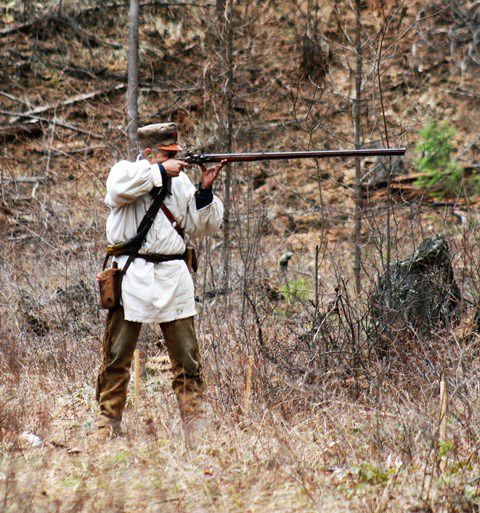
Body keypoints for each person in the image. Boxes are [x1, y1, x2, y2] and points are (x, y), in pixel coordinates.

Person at [95, 122, 225, 442]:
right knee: (117, 355)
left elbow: (199, 227)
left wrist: (204, 189)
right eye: (168, 154)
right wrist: (161, 172)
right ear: (151, 153)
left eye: (175, 154)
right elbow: (117, 191)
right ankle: (107, 422)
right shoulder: (128, 172)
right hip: (132, 274)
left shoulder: (181, 185)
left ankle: (194, 424)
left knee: (187, 357)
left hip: (173, 274)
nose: (175, 159)